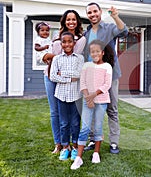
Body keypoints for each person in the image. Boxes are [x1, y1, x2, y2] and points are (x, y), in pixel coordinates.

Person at [83, 2, 128, 154]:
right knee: (91, 108)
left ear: (100, 12)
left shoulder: (109, 28)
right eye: (89, 12)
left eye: (95, 11)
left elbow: (124, 31)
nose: (93, 14)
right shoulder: (86, 33)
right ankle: (92, 139)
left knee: (112, 109)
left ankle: (114, 142)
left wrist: (115, 16)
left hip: (110, 75)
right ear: (87, 15)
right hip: (91, 76)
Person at [42, 9, 86, 154]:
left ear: (77, 21)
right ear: (64, 21)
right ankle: (59, 143)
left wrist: (61, 71)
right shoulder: (56, 36)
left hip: (68, 80)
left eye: (74, 19)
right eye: (68, 19)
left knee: (71, 117)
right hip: (50, 75)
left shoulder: (81, 39)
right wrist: (48, 56)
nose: (71, 22)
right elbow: (49, 55)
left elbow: (74, 60)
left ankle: (70, 143)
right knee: (55, 112)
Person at [71, 40, 114, 170]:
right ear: (90, 53)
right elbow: (83, 83)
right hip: (87, 100)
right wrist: (88, 98)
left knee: (98, 127)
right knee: (84, 127)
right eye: (92, 51)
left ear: (102, 52)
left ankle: (96, 153)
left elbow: (107, 85)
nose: (94, 54)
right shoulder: (86, 66)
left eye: (97, 51)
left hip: (101, 101)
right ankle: (79, 158)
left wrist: (93, 96)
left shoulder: (107, 66)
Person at [49, 31, 84, 161]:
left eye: (70, 41)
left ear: (74, 43)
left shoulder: (80, 58)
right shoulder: (57, 58)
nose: (67, 44)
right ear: (61, 44)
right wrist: (70, 78)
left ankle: (75, 147)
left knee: (75, 123)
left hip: (76, 96)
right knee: (63, 123)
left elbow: (79, 74)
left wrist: (62, 73)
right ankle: (65, 147)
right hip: (61, 95)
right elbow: (53, 76)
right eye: (64, 42)